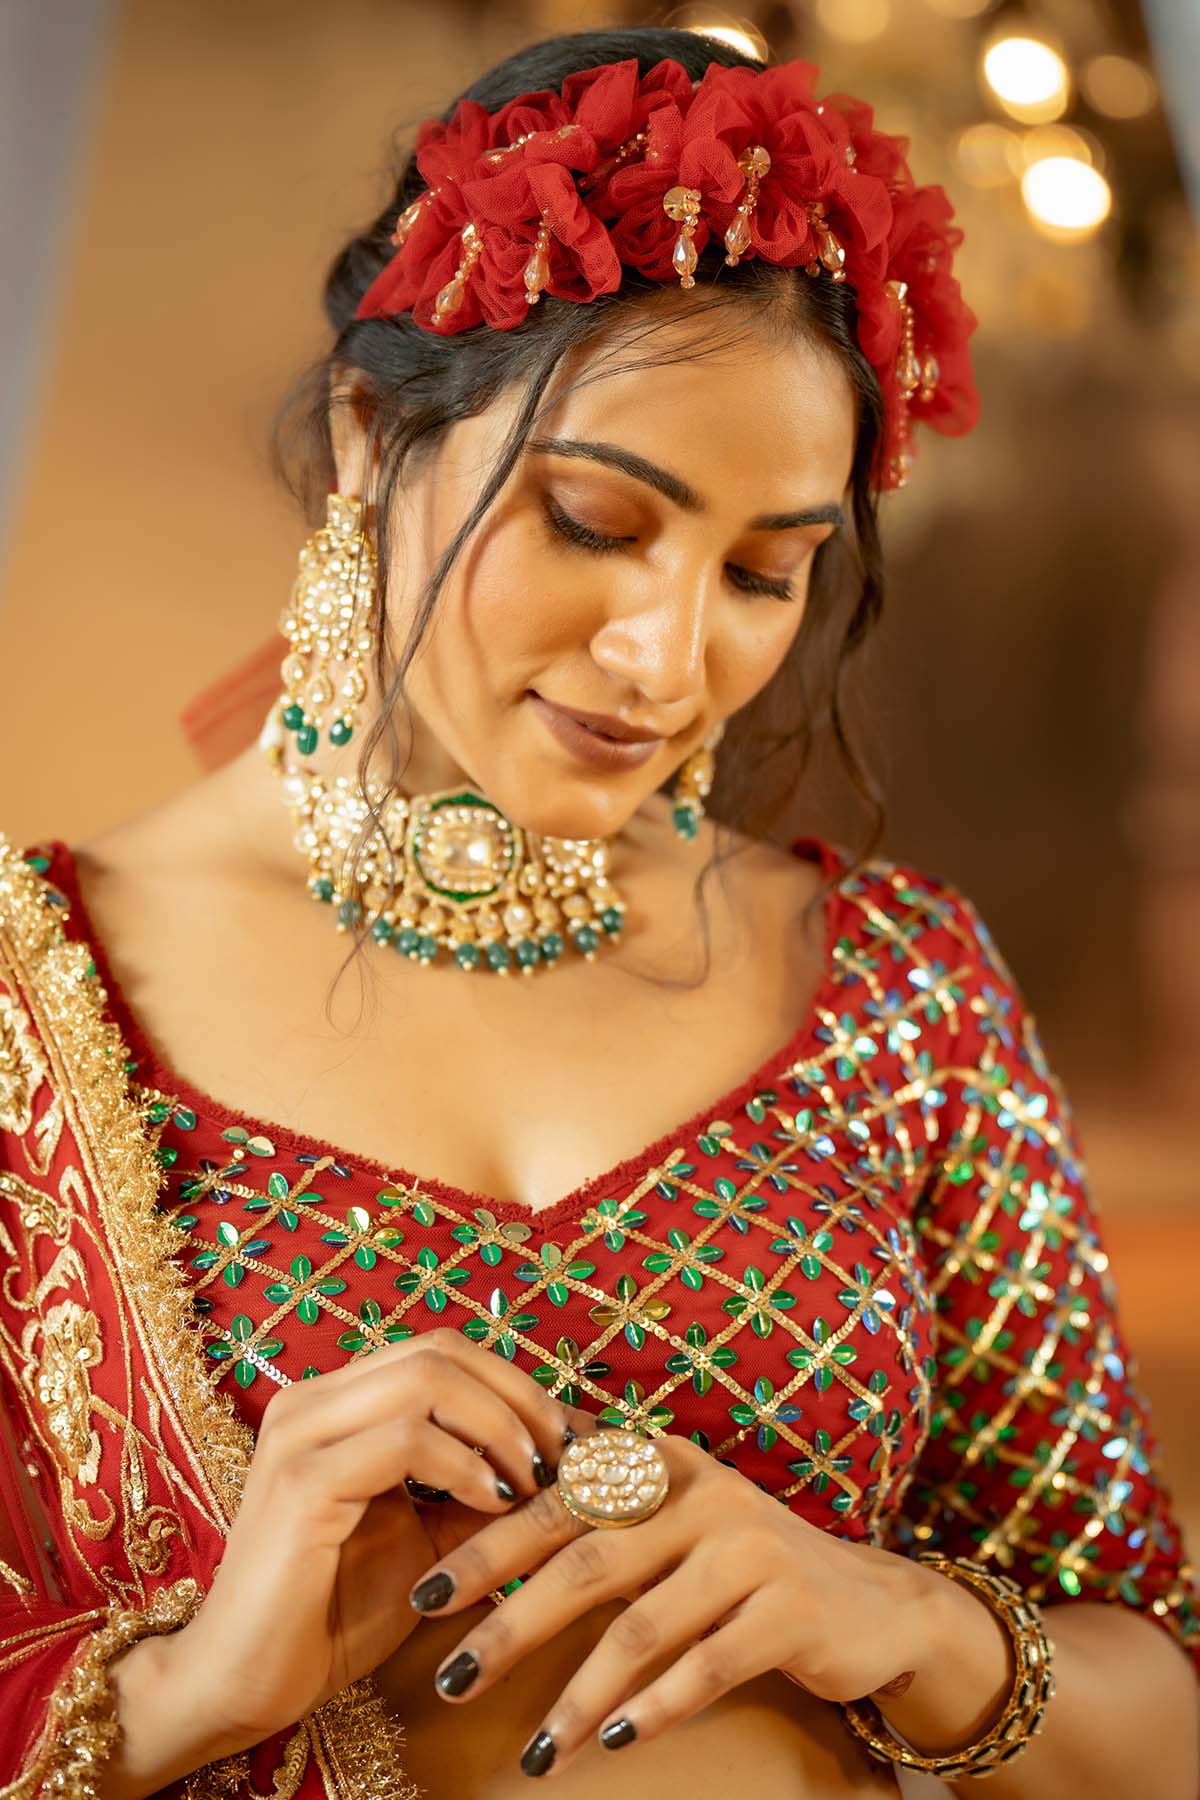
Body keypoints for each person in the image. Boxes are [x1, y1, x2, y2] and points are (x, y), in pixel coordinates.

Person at [1, 25, 1196, 1800]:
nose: (669, 657)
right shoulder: (39, 999)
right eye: (588, 520)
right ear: (361, 438)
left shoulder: (897, 984)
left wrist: (903, 1623)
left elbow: (1160, 1725)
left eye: (765, 570)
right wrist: (190, 1690)